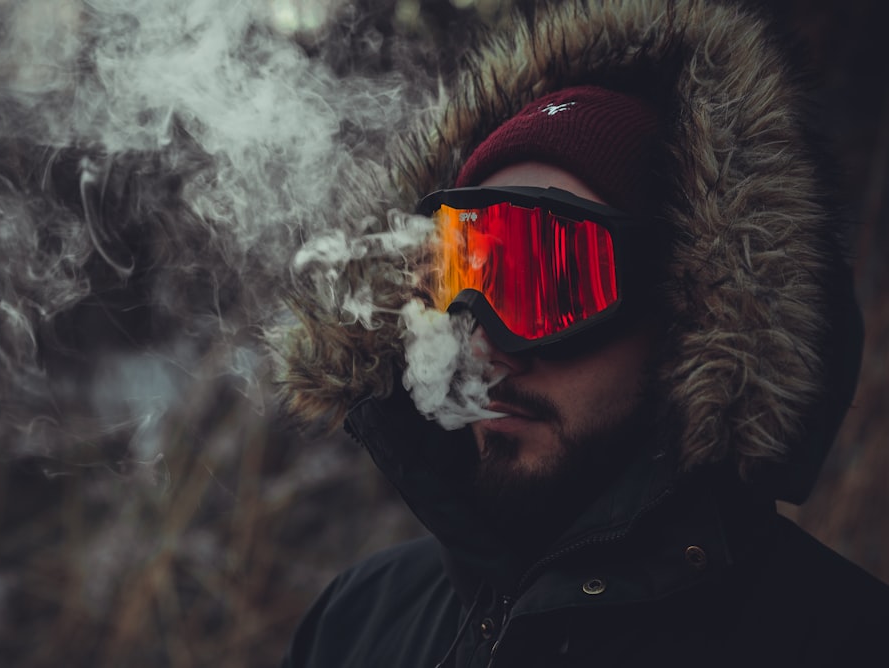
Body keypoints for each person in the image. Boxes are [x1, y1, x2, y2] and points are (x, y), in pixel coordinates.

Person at [274, 0, 889, 665]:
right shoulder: (357, 622)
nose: (483, 348)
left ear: (695, 317)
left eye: (552, 283)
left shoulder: (842, 640)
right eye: (460, 279)